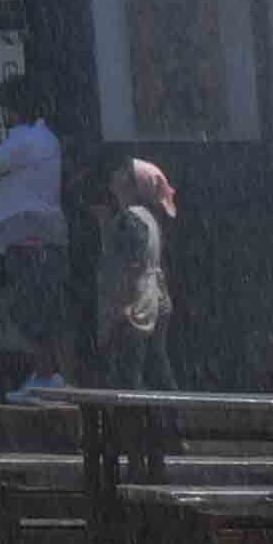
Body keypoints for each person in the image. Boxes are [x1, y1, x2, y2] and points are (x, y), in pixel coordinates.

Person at [0, 80, 73, 398]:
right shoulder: (38, 138)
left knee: (33, 311)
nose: (1, 113)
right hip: (39, 236)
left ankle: (48, 377)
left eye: (3, 107)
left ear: (12, 108)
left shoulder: (27, 140)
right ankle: (48, 375)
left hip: (31, 237)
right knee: (41, 310)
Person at [94, 156, 177, 391]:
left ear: (132, 185)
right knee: (155, 364)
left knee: (129, 371)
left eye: (122, 171)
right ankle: (172, 418)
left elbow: (132, 262)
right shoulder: (146, 217)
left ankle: (141, 421)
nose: (115, 174)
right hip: (153, 297)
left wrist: (124, 306)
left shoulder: (131, 218)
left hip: (136, 301)